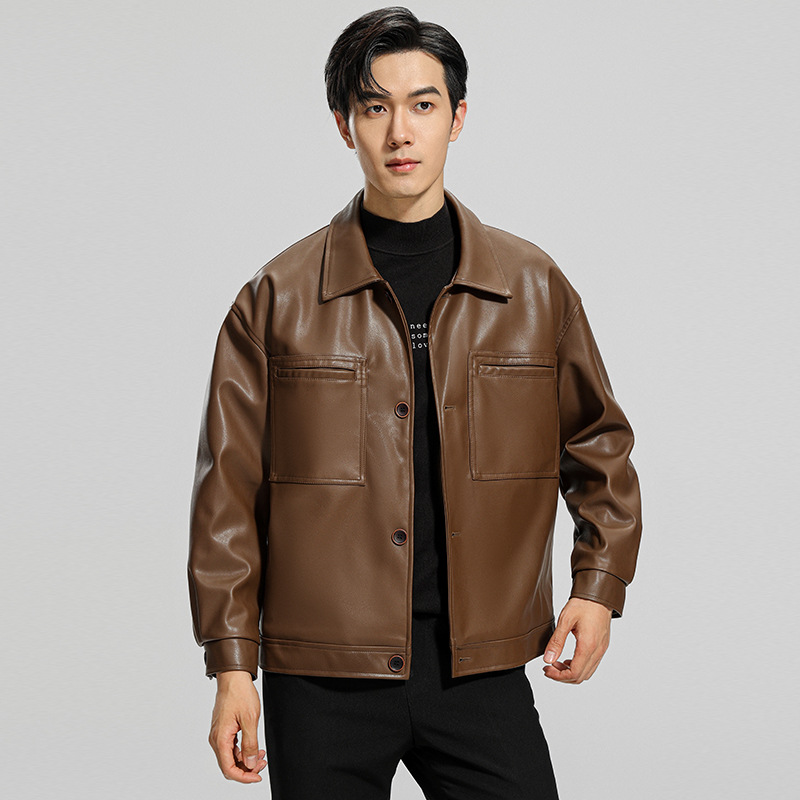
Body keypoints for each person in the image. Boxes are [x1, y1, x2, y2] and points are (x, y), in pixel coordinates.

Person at [188, 6, 643, 798]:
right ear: (344, 125)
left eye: (423, 104)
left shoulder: (533, 288)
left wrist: (597, 586)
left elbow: (598, 445)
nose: (400, 131)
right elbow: (227, 493)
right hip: (320, 675)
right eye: (375, 107)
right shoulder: (277, 298)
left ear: (457, 117)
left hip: (479, 668)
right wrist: (232, 666)